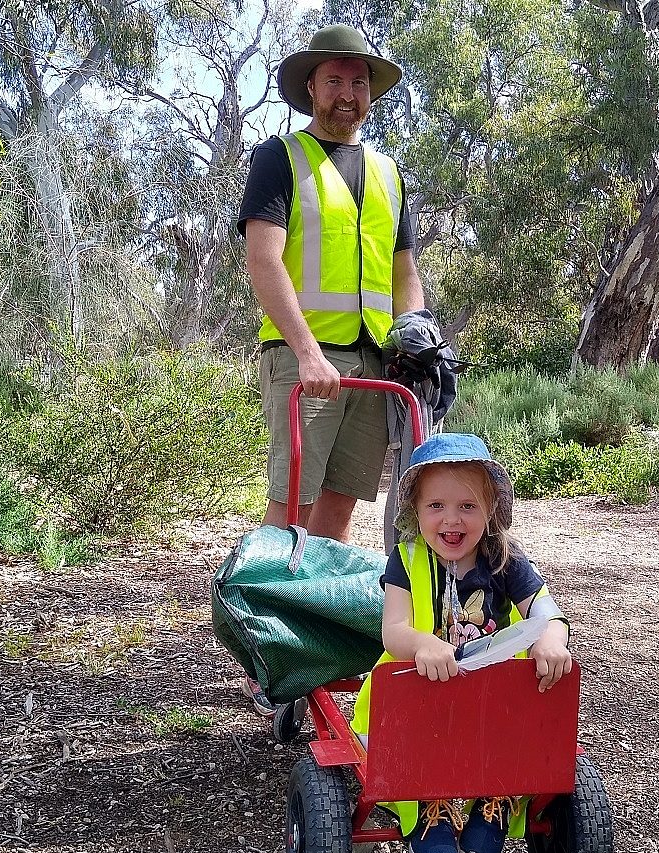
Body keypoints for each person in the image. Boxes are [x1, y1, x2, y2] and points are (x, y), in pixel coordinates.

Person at [237, 24, 425, 715]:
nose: (348, 93)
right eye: (335, 80)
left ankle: (316, 643)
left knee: (340, 508)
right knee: (291, 509)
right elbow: (264, 260)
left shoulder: (389, 174)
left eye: (359, 81)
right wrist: (307, 351)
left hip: (374, 364)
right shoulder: (279, 159)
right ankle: (270, 657)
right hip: (304, 361)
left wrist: (416, 336)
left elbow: (404, 273)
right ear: (311, 87)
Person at [350, 433, 573, 853]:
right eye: (436, 505)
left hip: (490, 690)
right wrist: (422, 643)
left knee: (524, 713)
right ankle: (428, 805)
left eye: (468, 506)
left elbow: (545, 609)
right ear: (416, 510)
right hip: (423, 685)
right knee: (413, 733)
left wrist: (552, 637)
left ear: (491, 511)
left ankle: (496, 797)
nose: (451, 520)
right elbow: (393, 631)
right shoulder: (406, 559)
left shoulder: (505, 558)